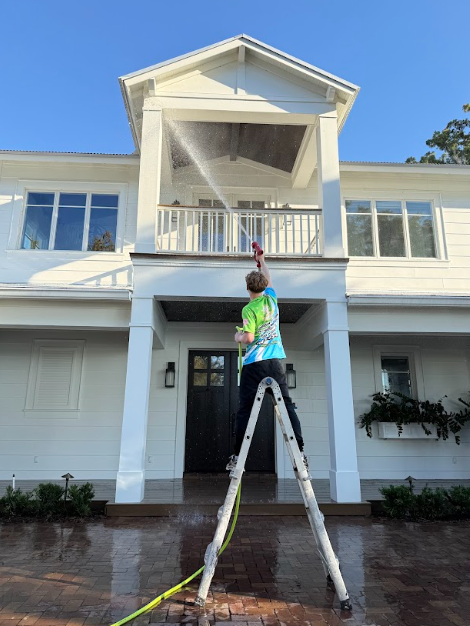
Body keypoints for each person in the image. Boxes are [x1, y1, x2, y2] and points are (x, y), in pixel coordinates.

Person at [227, 250, 308, 472]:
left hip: (254, 364)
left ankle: (238, 457)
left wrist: (238, 337)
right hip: (274, 362)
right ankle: (299, 451)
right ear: (263, 286)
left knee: (245, 409)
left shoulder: (249, 308)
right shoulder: (272, 299)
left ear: (247, 288)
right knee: (287, 405)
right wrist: (262, 261)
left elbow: (249, 337)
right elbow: (269, 277)